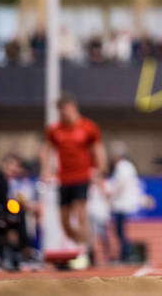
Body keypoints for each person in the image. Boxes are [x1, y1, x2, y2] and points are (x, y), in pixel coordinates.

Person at [41, 94, 106, 267]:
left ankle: (84, 250)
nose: (64, 114)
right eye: (60, 111)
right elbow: (46, 150)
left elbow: (98, 148)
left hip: (82, 177)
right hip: (63, 179)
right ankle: (84, 244)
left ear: (73, 107)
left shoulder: (88, 127)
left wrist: (100, 169)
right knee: (64, 221)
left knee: (80, 213)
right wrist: (45, 170)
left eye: (66, 109)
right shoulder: (54, 130)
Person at [106, 141, 141, 263]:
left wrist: (111, 195)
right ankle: (126, 254)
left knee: (120, 231)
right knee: (120, 231)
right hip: (122, 203)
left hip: (123, 204)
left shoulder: (123, 166)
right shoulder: (125, 166)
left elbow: (120, 184)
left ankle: (128, 254)